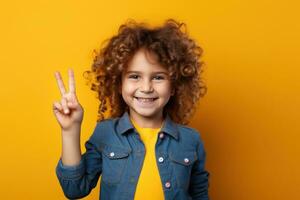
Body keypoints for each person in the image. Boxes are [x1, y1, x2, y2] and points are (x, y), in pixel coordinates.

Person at [53, 19, 210, 200]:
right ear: (119, 84)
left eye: (158, 77)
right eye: (135, 76)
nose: (146, 87)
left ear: (174, 86)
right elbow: (74, 189)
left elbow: (200, 194)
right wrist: (70, 130)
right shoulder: (105, 133)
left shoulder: (191, 140)